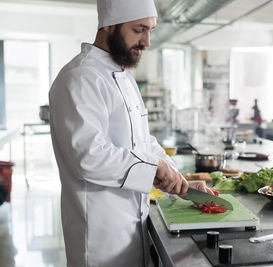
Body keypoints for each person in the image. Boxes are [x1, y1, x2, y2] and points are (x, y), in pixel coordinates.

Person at [49, 0, 214, 266]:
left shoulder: (124, 76)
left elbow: (143, 142)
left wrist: (179, 183)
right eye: (139, 29)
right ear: (108, 25)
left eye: (150, 30)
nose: (147, 41)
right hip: (100, 239)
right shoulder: (80, 77)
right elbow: (88, 156)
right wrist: (155, 167)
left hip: (132, 225)